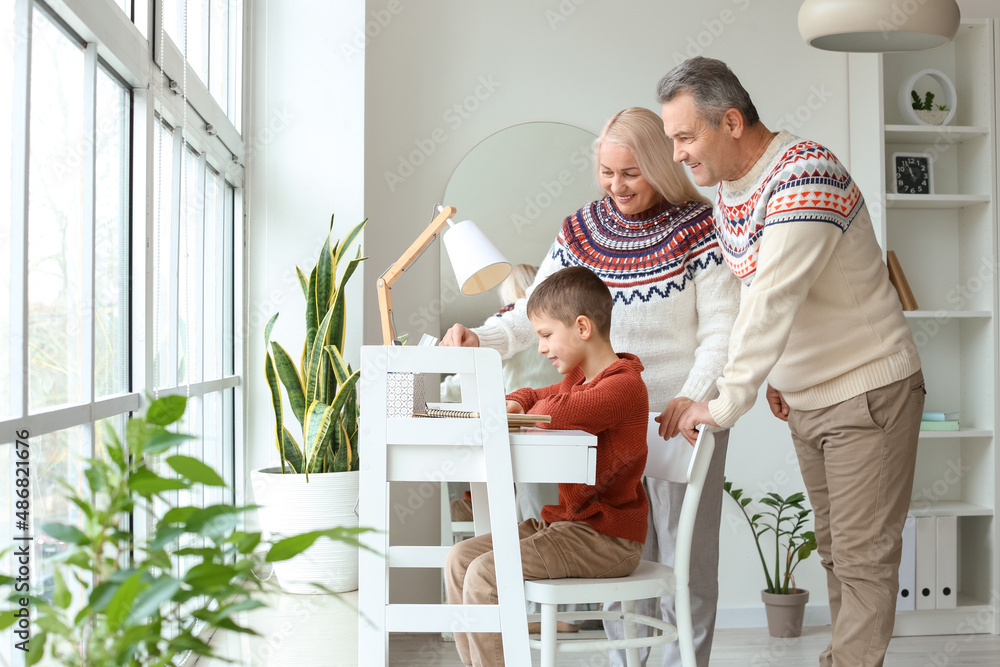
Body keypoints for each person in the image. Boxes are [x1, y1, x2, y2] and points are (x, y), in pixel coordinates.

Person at [442, 106, 740, 667]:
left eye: (631, 173)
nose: (616, 186)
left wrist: (692, 398)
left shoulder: (701, 227)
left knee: (685, 567)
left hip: (681, 418)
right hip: (603, 422)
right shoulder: (582, 229)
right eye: (607, 172)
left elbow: (722, 331)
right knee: (607, 551)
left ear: (661, 164)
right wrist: (479, 340)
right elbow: (537, 313)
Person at [657, 57, 924, 667]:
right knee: (837, 553)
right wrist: (777, 378)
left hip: (868, 391)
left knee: (862, 559)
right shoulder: (729, 193)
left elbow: (775, 295)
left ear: (729, 121)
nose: (676, 155)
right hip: (807, 400)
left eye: (685, 137)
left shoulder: (806, 172)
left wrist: (725, 401)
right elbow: (757, 295)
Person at [444, 266, 650, 667]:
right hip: (567, 526)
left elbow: (558, 410)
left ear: (582, 328)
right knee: (460, 559)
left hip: (605, 539)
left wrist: (531, 405)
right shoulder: (581, 378)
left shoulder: (622, 385)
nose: (540, 349)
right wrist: (521, 400)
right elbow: (538, 394)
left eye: (545, 335)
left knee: (487, 574)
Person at [444, 264, 563, 524]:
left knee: (530, 508)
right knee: (557, 499)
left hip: (520, 423)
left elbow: (463, 380)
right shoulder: (557, 327)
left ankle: (527, 551)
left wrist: (435, 389)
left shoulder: (507, 326)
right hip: (560, 423)